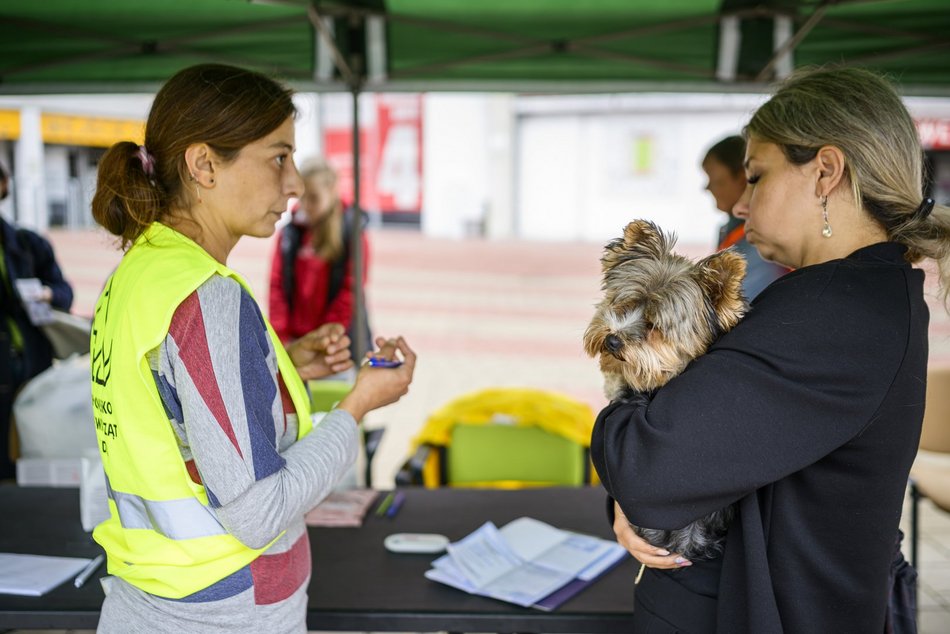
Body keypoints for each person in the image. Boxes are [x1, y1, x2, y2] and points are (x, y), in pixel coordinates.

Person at [592, 65, 949, 633]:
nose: (739, 204)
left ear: (826, 172)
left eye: (755, 176)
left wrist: (632, 460)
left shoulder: (836, 314)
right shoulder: (862, 296)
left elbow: (646, 465)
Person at [88, 63, 415, 633]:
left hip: (151, 600)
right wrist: (357, 406)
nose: (293, 184)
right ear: (204, 164)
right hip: (222, 610)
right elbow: (258, 511)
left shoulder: (138, 274)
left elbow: (172, 410)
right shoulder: (205, 296)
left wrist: (277, 364)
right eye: (278, 157)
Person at [0, 163, 74, 480]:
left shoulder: (28, 244)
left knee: (31, 459)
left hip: (31, 368)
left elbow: (64, 293)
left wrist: (45, 295)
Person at [268, 157, 372, 359]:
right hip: (295, 342)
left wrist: (326, 340)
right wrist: (282, 337)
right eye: (302, 198)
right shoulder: (290, 233)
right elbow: (277, 285)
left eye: (314, 198)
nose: (306, 206)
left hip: (338, 346)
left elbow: (350, 292)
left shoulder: (352, 232)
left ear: (332, 190)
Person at [702, 135, 788, 299]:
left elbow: (722, 307)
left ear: (742, 178)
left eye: (714, 179)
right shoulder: (731, 232)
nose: (707, 187)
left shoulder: (762, 240)